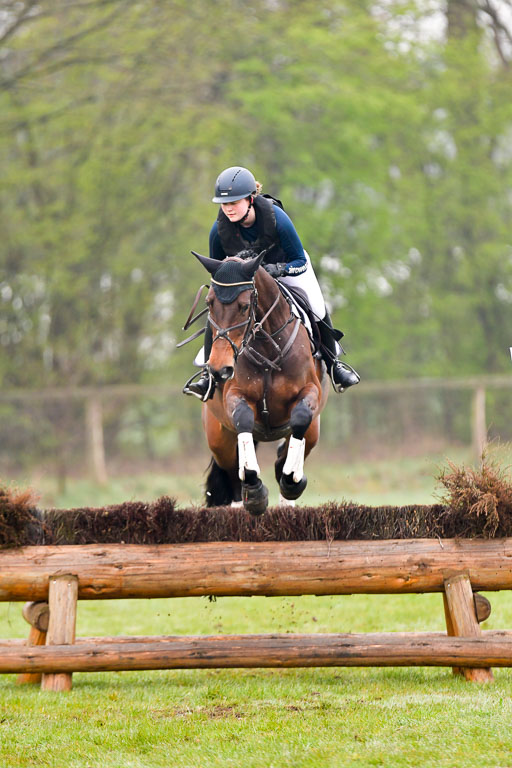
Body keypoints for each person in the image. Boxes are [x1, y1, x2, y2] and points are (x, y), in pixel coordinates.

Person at [184, 166, 360, 400]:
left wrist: (277, 269)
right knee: (218, 311)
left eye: (234, 202)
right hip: (246, 281)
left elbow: (299, 260)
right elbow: (221, 272)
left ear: (250, 199)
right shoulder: (218, 230)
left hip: (287, 268)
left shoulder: (278, 220)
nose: (229, 209)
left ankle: (334, 365)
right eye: (224, 204)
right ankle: (209, 375)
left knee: (316, 306)